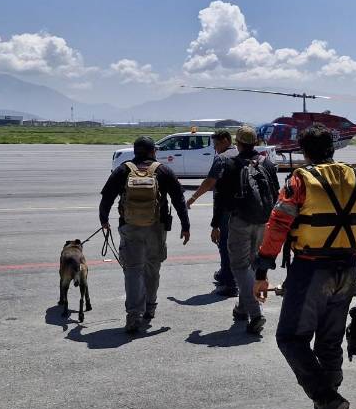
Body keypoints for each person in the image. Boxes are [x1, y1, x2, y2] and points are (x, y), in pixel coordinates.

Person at [253, 125, 356, 409]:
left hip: (311, 270)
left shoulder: (300, 179)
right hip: (347, 271)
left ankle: (326, 401)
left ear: (305, 150)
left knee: (290, 339)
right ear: (334, 149)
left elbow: (278, 223)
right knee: (329, 343)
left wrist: (263, 268)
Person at [99, 135, 191, 334]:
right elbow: (178, 199)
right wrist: (185, 225)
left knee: (132, 270)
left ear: (135, 151)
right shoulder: (163, 170)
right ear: (153, 151)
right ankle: (150, 307)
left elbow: (107, 197)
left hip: (130, 226)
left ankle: (133, 314)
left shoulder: (123, 170)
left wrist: (104, 220)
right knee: (152, 268)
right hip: (155, 228)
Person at [200, 125, 279, 334]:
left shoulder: (231, 163)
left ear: (238, 143)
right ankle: (243, 308)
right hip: (263, 222)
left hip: (240, 222)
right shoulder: (268, 164)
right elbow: (277, 195)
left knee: (239, 266)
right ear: (256, 143)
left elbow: (222, 199)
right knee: (253, 263)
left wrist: (216, 224)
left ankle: (256, 313)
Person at [186, 130, 239, 297]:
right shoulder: (240, 154)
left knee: (224, 244)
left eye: (216, 144)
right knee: (239, 244)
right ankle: (227, 273)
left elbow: (210, 181)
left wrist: (193, 197)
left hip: (226, 208)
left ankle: (230, 284)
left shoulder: (222, 158)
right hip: (242, 208)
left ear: (225, 141)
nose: (215, 149)